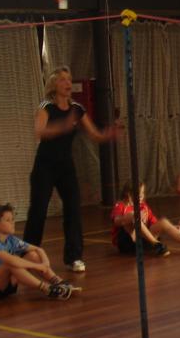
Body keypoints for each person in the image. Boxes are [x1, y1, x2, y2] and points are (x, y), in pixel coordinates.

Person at [23, 66, 119, 274]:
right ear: (54, 85)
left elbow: (94, 135)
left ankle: (74, 257)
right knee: (38, 210)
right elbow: (39, 132)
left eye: (69, 79)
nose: (68, 83)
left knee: (74, 209)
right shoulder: (45, 106)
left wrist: (109, 134)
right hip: (44, 165)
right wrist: (60, 127)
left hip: (66, 165)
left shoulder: (77, 108)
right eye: (63, 80)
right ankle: (28, 254)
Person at [0, 204, 74, 301]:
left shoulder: (11, 239)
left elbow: (38, 249)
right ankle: (46, 288)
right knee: (10, 263)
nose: (13, 222)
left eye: (13, 219)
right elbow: (12, 261)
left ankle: (57, 281)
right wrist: (38, 266)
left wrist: (45, 264)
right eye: (8, 220)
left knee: (32, 255)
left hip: (6, 285)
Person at [111, 182, 180, 257]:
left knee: (163, 221)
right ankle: (156, 244)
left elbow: (154, 223)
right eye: (138, 193)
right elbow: (117, 221)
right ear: (128, 193)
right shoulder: (121, 205)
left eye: (142, 193)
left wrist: (172, 228)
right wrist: (133, 217)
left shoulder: (143, 206)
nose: (141, 195)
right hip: (128, 242)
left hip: (144, 240)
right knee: (133, 215)